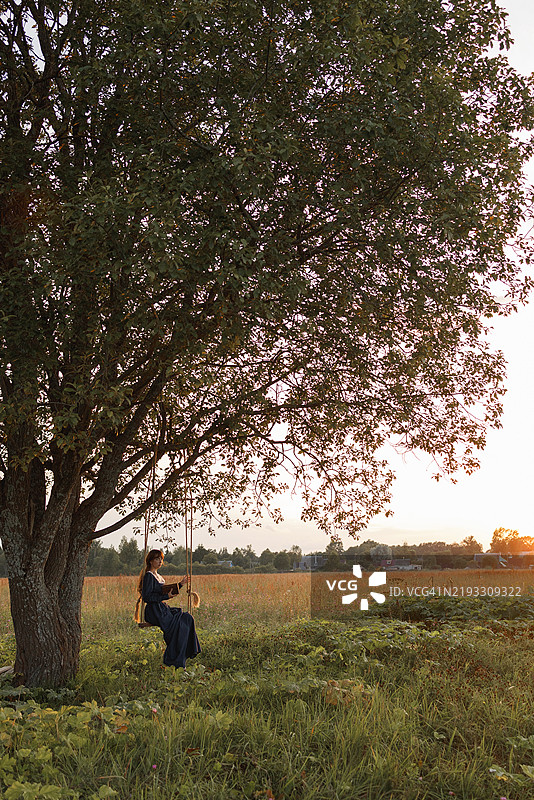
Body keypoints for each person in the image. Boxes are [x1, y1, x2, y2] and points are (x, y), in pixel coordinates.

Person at [136, 549, 201, 669]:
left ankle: (186, 654)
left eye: (161, 558)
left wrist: (180, 584)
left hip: (162, 608)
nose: (160, 561)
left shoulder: (158, 576)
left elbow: (163, 591)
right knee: (179, 627)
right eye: (157, 559)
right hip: (154, 611)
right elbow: (147, 597)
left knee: (187, 618)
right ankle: (176, 663)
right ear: (150, 561)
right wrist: (166, 597)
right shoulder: (149, 576)